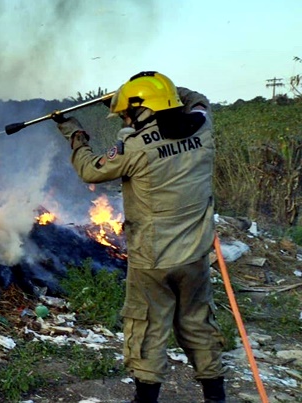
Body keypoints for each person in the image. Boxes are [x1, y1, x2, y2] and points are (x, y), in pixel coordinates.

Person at [52, 71, 226, 403]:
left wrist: (74, 134)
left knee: (146, 329)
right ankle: (215, 397)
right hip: (195, 255)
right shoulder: (202, 129)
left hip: (152, 259)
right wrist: (154, 90)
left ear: (142, 110)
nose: (125, 119)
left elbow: (90, 170)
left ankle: (145, 399)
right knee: (198, 323)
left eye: (127, 113)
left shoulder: (136, 147)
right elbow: (197, 99)